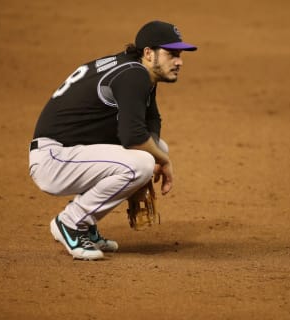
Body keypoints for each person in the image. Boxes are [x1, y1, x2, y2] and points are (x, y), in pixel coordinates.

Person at [28, 21, 197, 260]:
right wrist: (164, 161)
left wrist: (158, 153)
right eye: (172, 54)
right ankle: (70, 222)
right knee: (141, 164)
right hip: (54, 159)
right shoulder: (134, 75)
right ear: (149, 53)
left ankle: (86, 225)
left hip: (71, 152)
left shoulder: (136, 69)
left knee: (154, 151)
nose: (179, 61)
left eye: (180, 55)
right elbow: (134, 137)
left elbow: (151, 119)